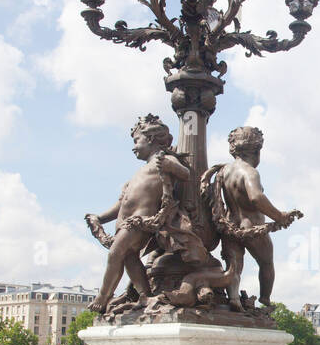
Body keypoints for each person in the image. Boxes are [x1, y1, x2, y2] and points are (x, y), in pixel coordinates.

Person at [86, 115, 191, 314]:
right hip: (125, 223)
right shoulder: (140, 172)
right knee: (129, 258)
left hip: (139, 223)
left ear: (150, 139)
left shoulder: (163, 160)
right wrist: (100, 218)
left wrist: (170, 166)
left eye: (137, 140)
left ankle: (103, 296)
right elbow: (120, 204)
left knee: (115, 254)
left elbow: (185, 173)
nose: (134, 146)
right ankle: (145, 295)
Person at [201, 127, 302, 311]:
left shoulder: (224, 171)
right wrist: (279, 216)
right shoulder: (249, 172)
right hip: (251, 225)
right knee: (266, 263)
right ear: (256, 151)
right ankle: (265, 300)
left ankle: (233, 298)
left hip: (230, 224)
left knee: (235, 265)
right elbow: (255, 197)